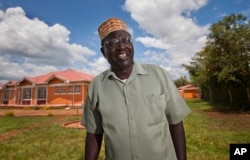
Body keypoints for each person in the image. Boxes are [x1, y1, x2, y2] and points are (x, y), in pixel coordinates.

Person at [82, 17, 191, 160]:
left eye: (126, 39)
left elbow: (175, 122)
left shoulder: (158, 74)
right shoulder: (97, 85)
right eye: (113, 43)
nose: (121, 46)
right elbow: (94, 134)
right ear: (103, 51)